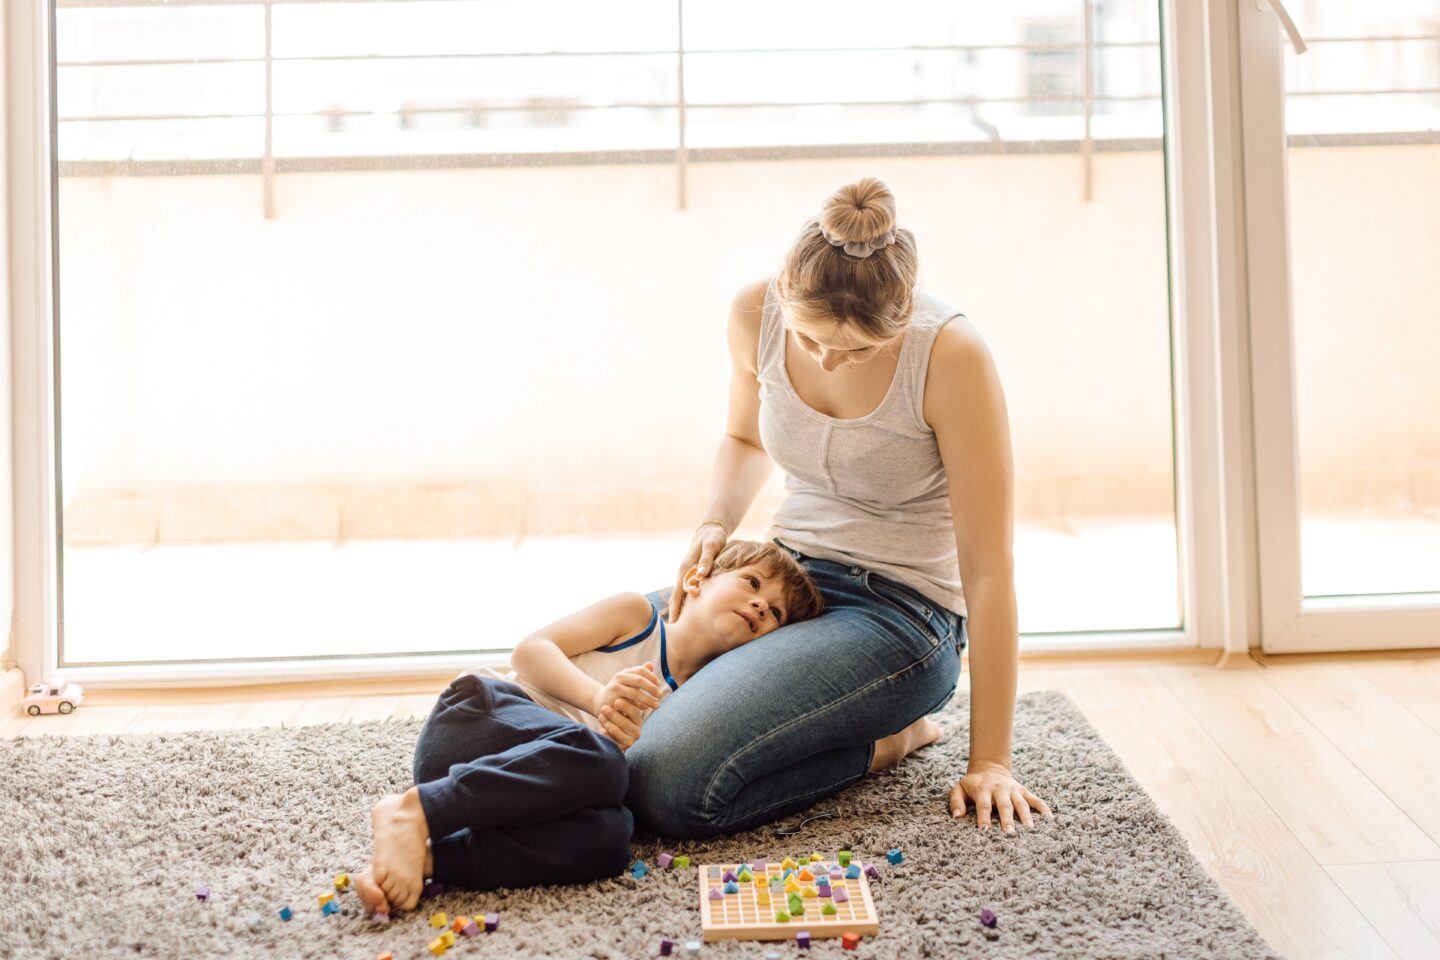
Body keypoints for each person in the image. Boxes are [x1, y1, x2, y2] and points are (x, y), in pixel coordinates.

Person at [625, 176, 1054, 839]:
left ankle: (885, 741)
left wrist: (990, 758)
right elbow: (743, 439)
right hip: (781, 580)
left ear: (902, 315)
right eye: (810, 337)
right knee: (591, 678)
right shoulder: (753, 313)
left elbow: (990, 569)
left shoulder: (951, 356)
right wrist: (714, 524)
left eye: (853, 350)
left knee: (662, 782)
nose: (826, 359)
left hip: (899, 614)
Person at [352, 540, 824, 915]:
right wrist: (597, 699)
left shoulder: (699, 702)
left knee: (611, 836)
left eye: (776, 612)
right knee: (600, 762)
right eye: (752, 583)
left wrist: (623, 743)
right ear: (697, 579)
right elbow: (530, 650)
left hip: (513, 793)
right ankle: (414, 810)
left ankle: (434, 856)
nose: (761, 605)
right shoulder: (637, 617)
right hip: (476, 721)